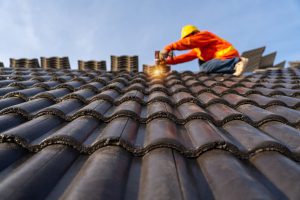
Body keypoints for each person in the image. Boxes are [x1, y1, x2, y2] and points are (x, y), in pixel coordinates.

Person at [159, 25, 248, 76]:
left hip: (228, 56)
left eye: (187, 37)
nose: (186, 40)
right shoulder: (198, 50)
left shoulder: (204, 35)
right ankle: (232, 69)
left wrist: (168, 48)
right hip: (222, 59)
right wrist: (167, 62)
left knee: (204, 67)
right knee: (202, 62)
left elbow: (189, 42)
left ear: (194, 33)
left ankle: (236, 63)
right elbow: (184, 57)